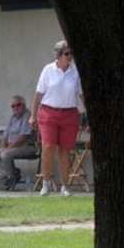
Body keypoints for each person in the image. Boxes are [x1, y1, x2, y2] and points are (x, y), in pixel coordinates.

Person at [30, 40, 82, 196]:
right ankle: (46, 183)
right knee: (48, 146)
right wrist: (33, 115)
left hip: (69, 113)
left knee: (65, 150)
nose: (70, 56)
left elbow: (81, 94)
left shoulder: (75, 71)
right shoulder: (48, 70)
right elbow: (38, 94)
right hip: (48, 113)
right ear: (58, 55)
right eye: (67, 54)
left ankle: (65, 186)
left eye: (71, 54)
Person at [0, 95, 35, 191]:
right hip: (12, 147)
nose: (15, 108)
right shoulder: (12, 118)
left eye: (18, 105)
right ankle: (9, 176)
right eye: (13, 106)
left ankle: (12, 176)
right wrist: (3, 146)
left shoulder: (27, 115)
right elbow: (5, 136)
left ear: (23, 105)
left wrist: (7, 148)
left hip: (26, 146)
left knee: (5, 154)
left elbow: (23, 137)